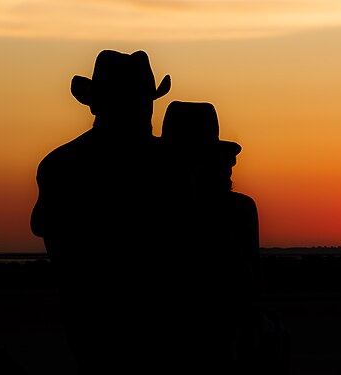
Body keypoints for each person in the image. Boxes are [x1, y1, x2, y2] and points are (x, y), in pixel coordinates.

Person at [30, 50, 171, 374]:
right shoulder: (172, 163)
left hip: (87, 313)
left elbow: (45, 230)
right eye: (142, 102)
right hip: (159, 314)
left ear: (94, 104)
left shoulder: (60, 164)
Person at [161, 101, 288, 374]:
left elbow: (253, 282)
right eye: (219, 161)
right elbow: (253, 282)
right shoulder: (236, 209)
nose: (230, 166)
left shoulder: (239, 209)